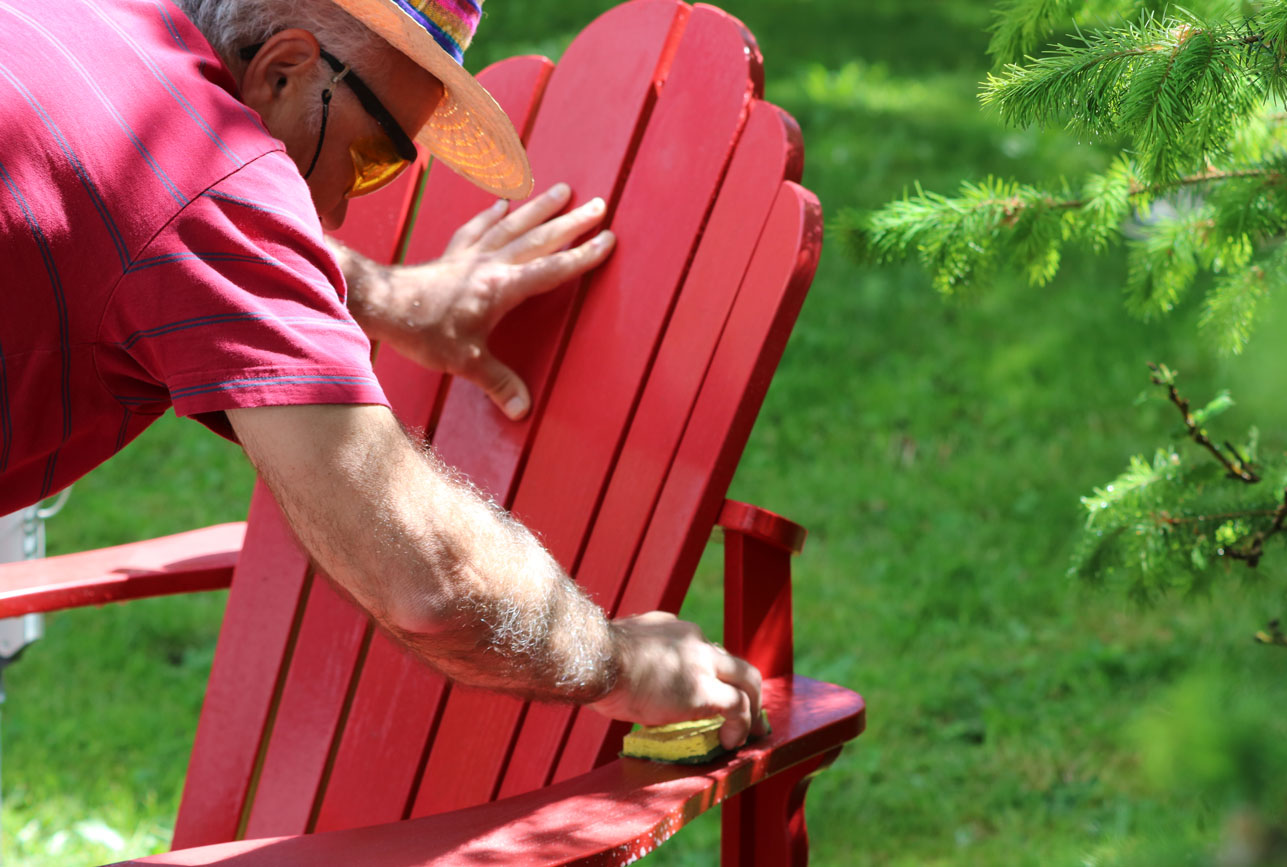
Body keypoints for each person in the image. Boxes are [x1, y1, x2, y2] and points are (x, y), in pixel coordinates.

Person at [0, 0, 765, 750]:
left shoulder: (84, 32)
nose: (332, 213)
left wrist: (387, 297)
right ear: (283, 71)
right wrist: (627, 663)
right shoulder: (210, 183)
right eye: (372, 159)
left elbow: (149, 205)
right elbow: (428, 580)